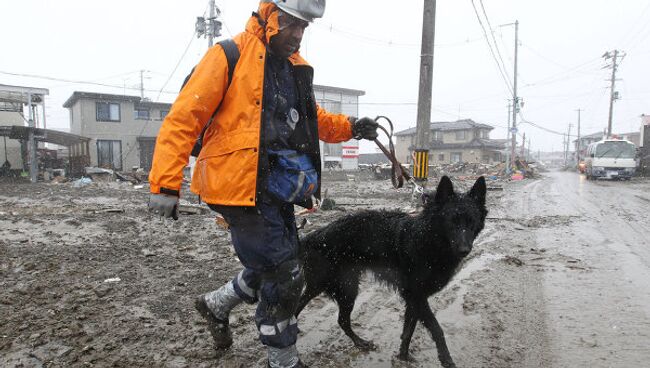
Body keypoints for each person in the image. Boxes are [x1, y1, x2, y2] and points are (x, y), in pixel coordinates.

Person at [148, 1, 379, 367]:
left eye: (305, 27)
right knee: (284, 275)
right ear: (270, 16)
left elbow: (311, 118)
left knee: (275, 263)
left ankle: (216, 304)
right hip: (238, 188)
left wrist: (350, 127)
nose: (298, 35)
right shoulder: (229, 54)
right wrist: (164, 184)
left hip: (277, 188)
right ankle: (282, 359)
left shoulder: (293, 69)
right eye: (292, 24)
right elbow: (183, 118)